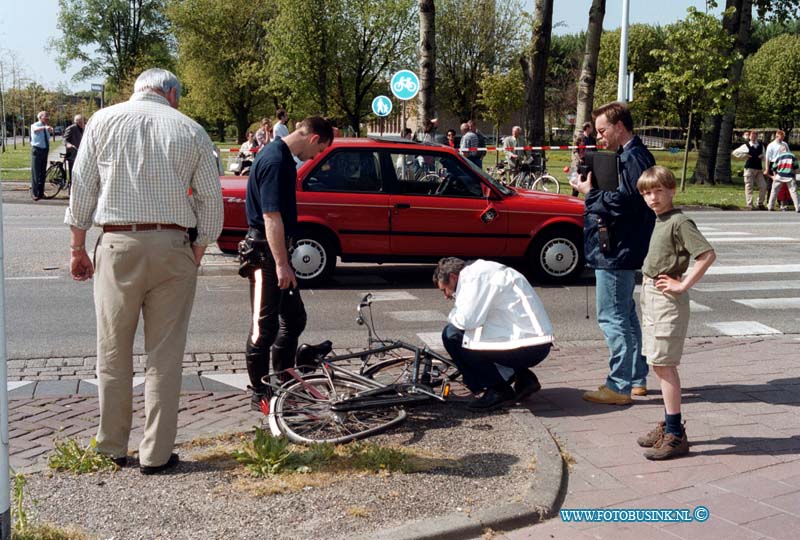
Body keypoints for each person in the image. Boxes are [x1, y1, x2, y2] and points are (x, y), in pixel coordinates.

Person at [65, 68, 224, 474]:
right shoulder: (191, 129)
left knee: (113, 350)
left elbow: (82, 187)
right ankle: (156, 453)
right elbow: (211, 201)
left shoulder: (103, 120)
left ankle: (111, 446)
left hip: (118, 243)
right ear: (171, 94)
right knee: (165, 356)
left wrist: (77, 247)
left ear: (138, 90)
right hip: (173, 245)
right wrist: (197, 251)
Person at [239, 116, 334, 411]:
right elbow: (271, 217)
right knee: (263, 328)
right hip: (265, 253)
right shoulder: (276, 162)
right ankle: (260, 393)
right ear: (314, 138)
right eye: (319, 151)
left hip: (275, 251)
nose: (315, 158)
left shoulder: (279, 156)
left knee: (293, 319)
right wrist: (281, 264)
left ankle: (282, 378)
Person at [571, 101, 655, 405]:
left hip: (616, 249)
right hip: (620, 248)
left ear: (620, 127)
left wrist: (589, 193)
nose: (600, 136)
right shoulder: (632, 155)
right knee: (626, 315)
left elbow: (624, 203)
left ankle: (619, 384)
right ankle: (635, 377)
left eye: (603, 130)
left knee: (613, 317)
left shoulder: (632, 157)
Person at [635, 166, 716, 460]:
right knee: (658, 363)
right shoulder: (661, 219)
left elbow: (707, 255)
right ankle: (669, 422)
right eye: (646, 192)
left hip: (667, 299)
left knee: (665, 365)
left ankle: (675, 433)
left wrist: (681, 285)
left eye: (658, 191)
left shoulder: (680, 221)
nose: (652, 197)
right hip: (653, 295)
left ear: (672, 190)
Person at [435, 257, 553, 411]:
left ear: (453, 277)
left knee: (452, 335)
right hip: (537, 343)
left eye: (445, 289)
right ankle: (524, 378)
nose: (446, 296)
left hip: (527, 346)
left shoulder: (473, 277)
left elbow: (466, 320)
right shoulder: (486, 271)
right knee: (479, 335)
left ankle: (497, 390)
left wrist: (452, 314)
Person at [741, 130, 768, 210]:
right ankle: (749, 204)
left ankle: (760, 203)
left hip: (758, 169)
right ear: (749, 136)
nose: (754, 137)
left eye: (755, 135)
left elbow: (765, 156)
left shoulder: (760, 145)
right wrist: (745, 155)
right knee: (749, 186)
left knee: (763, 186)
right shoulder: (746, 145)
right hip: (749, 168)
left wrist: (762, 156)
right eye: (752, 135)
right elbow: (735, 153)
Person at [767, 143, 799, 212]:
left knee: (774, 191)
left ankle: (770, 206)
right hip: (789, 177)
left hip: (780, 176)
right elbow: (796, 168)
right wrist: (796, 178)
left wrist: (775, 176)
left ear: (781, 150)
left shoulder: (779, 157)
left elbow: (773, 168)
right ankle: (798, 208)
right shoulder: (793, 156)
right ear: (787, 149)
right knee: (793, 192)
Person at [30, 111, 54, 200]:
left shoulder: (46, 128)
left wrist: (49, 130)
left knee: (42, 172)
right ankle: (34, 193)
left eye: (48, 116)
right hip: (37, 150)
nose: (48, 118)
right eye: (46, 116)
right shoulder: (35, 125)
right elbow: (36, 130)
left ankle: (41, 192)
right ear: (40, 117)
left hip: (45, 150)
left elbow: (47, 138)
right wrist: (44, 127)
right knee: (36, 172)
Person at [571, 122, 597, 197]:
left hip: (590, 163)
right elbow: (575, 150)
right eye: (591, 127)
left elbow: (595, 150)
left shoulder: (592, 139)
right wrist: (579, 159)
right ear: (587, 128)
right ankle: (573, 197)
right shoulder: (579, 138)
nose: (592, 129)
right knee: (578, 180)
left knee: (591, 180)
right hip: (581, 163)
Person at [62, 114, 86, 179]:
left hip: (82, 153)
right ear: (76, 121)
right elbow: (64, 140)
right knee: (73, 172)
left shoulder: (85, 128)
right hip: (73, 153)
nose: (82, 123)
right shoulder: (71, 128)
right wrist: (68, 144)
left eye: (83, 121)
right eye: (80, 121)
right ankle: (71, 186)